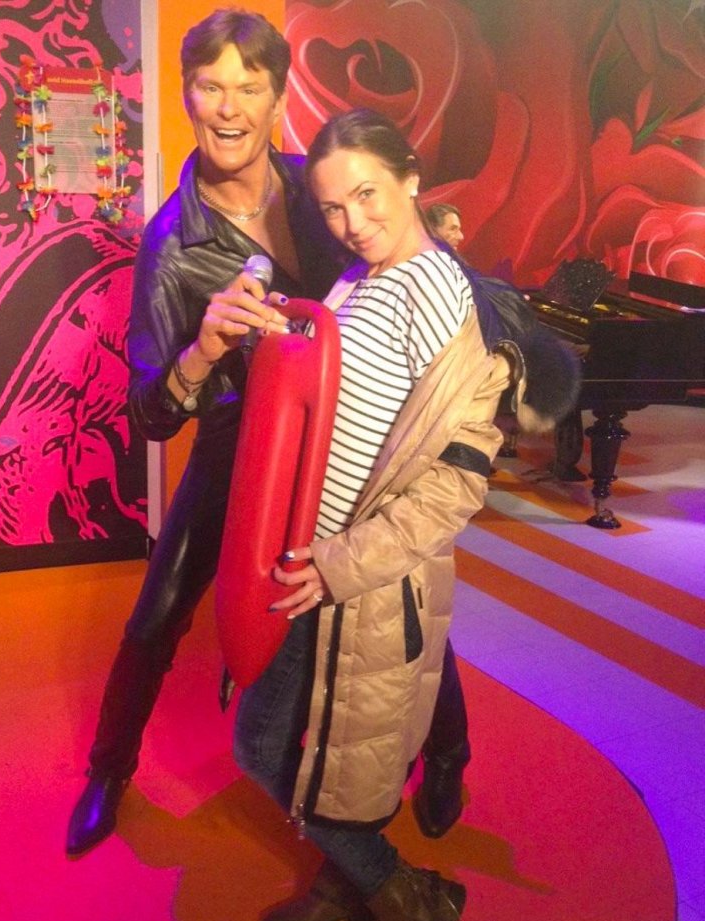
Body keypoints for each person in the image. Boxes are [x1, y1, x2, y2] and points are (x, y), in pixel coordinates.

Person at [66, 10, 470, 859]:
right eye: (211, 86)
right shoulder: (171, 245)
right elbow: (152, 414)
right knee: (158, 613)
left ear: (278, 97)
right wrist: (204, 349)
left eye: (249, 87)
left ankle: (447, 755)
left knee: (394, 592)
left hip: (348, 437)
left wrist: (429, 233)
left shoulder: (319, 183)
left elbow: (389, 238)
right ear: (186, 95)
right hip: (240, 447)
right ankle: (108, 770)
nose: (229, 107)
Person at [232, 110, 520, 921]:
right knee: (305, 751)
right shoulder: (363, 278)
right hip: (305, 559)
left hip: (356, 579)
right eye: (331, 207)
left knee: (272, 749)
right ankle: (354, 877)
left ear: (410, 178)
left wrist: (341, 564)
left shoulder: (439, 295)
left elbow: (453, 488)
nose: (351, 222)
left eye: (366, 195)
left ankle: (412, 902)